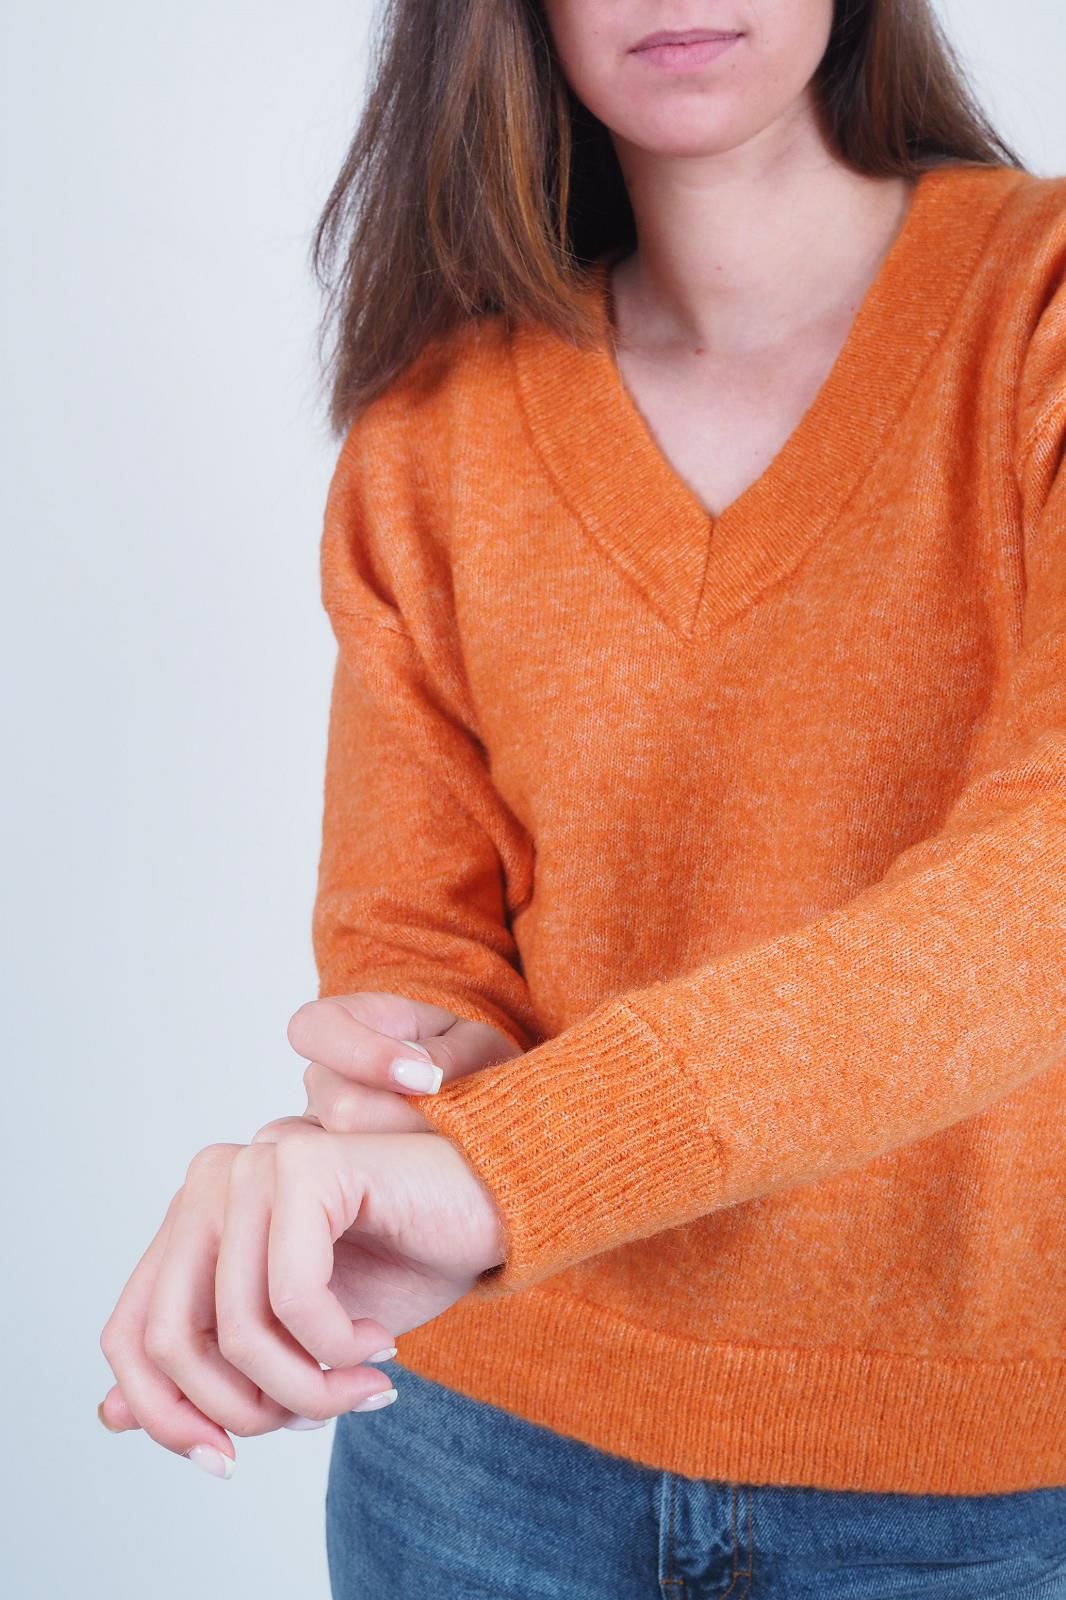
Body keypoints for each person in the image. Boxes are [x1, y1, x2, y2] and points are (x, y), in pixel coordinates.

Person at [98, 0, 1066, 1594]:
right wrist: (406, 1079)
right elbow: (416, 937)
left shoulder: (1033, 310)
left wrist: (500, 1168)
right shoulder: (433, 419)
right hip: (475, 1461)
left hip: (970, 1495)